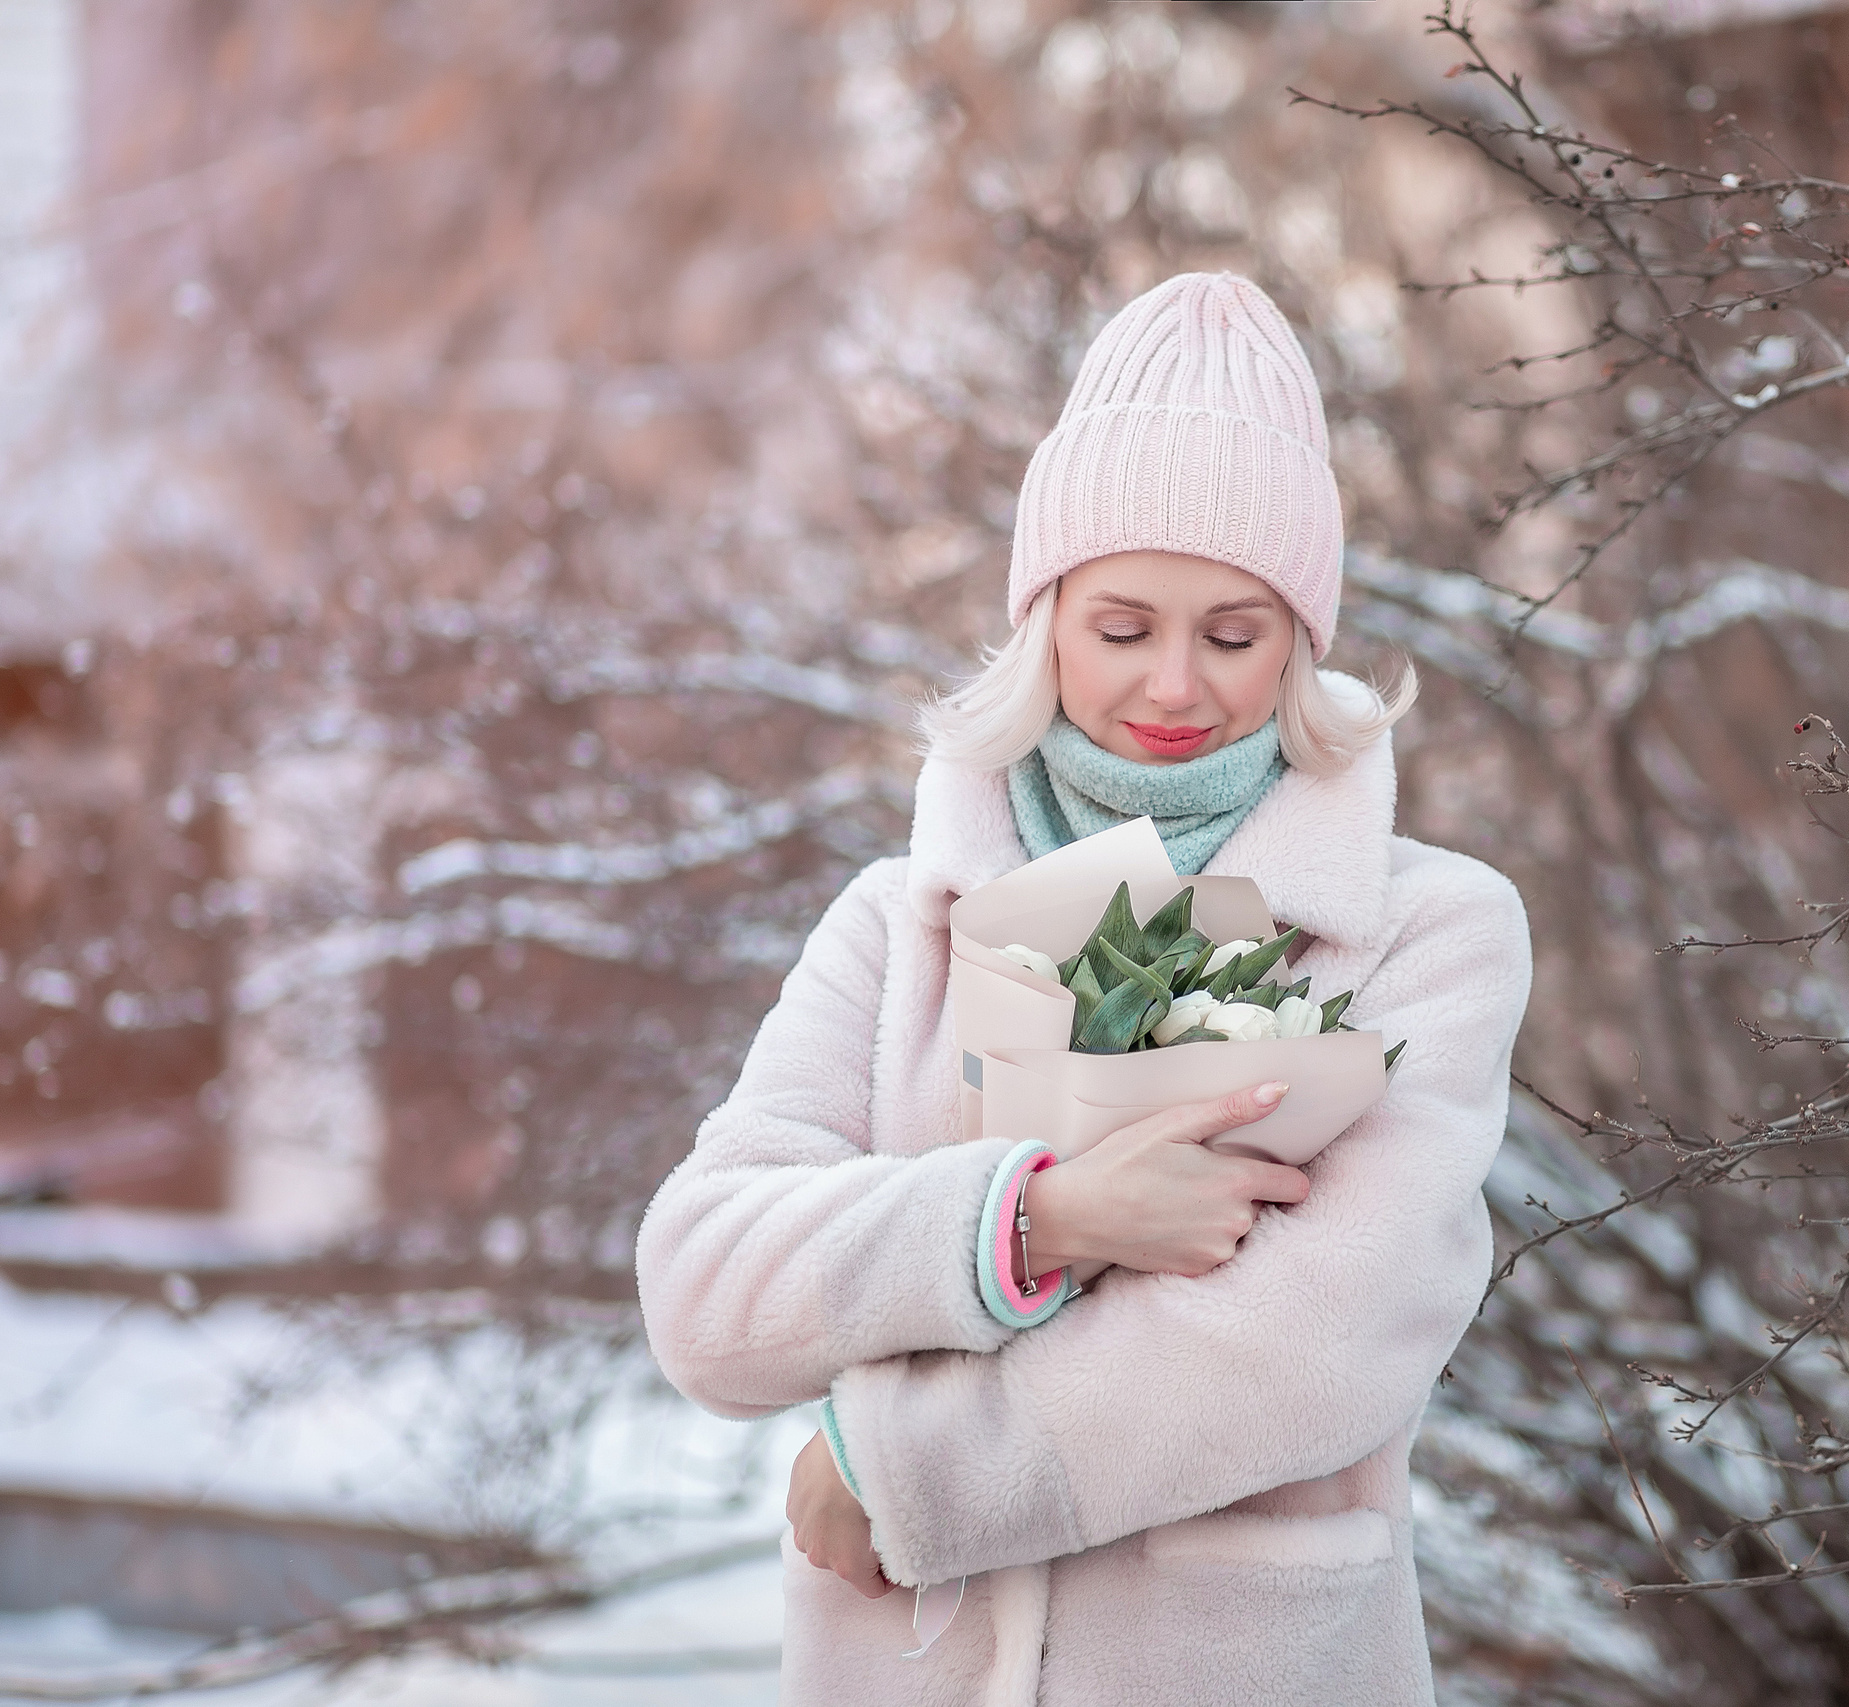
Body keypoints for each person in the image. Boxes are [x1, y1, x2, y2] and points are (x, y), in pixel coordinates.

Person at [636, 271, 1531, 1707]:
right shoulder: (899, 927)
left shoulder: (1425, 929)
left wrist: (902, 1468)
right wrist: (1031, 1218)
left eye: (1234, 633)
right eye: (1124, 627)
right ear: (1044, 618)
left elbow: (1321, 1339)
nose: (1176, 684)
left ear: (1303, 637)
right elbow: (704, 1282)